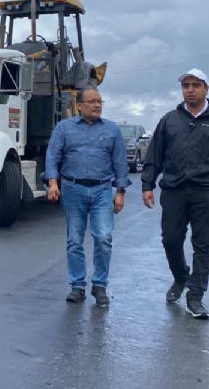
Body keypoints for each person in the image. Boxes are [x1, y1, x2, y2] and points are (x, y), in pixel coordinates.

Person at [141, 68, 209, 320]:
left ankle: (195, 296)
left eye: (196, 85)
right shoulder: (169, 120)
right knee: (170, 240)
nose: (190, 90)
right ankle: (180, 276)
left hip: (208, 191)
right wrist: (147, 185)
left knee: (204, 244)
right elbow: (154, 155)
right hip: (175, 189)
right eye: (186, 85)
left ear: (206, 88)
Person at [46, 87, 129, 307]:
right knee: (74, 239)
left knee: (103, 237)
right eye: (92, 101)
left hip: (102, 190)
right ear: (79, 105)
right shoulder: (64, 128)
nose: (97, 105)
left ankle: (100, 285)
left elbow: (120, 163)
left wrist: (120, 192)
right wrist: (53, 183)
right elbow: (53, 156)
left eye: (100, 101)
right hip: (73, 189)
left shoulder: (112, 130)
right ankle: (77, 286)